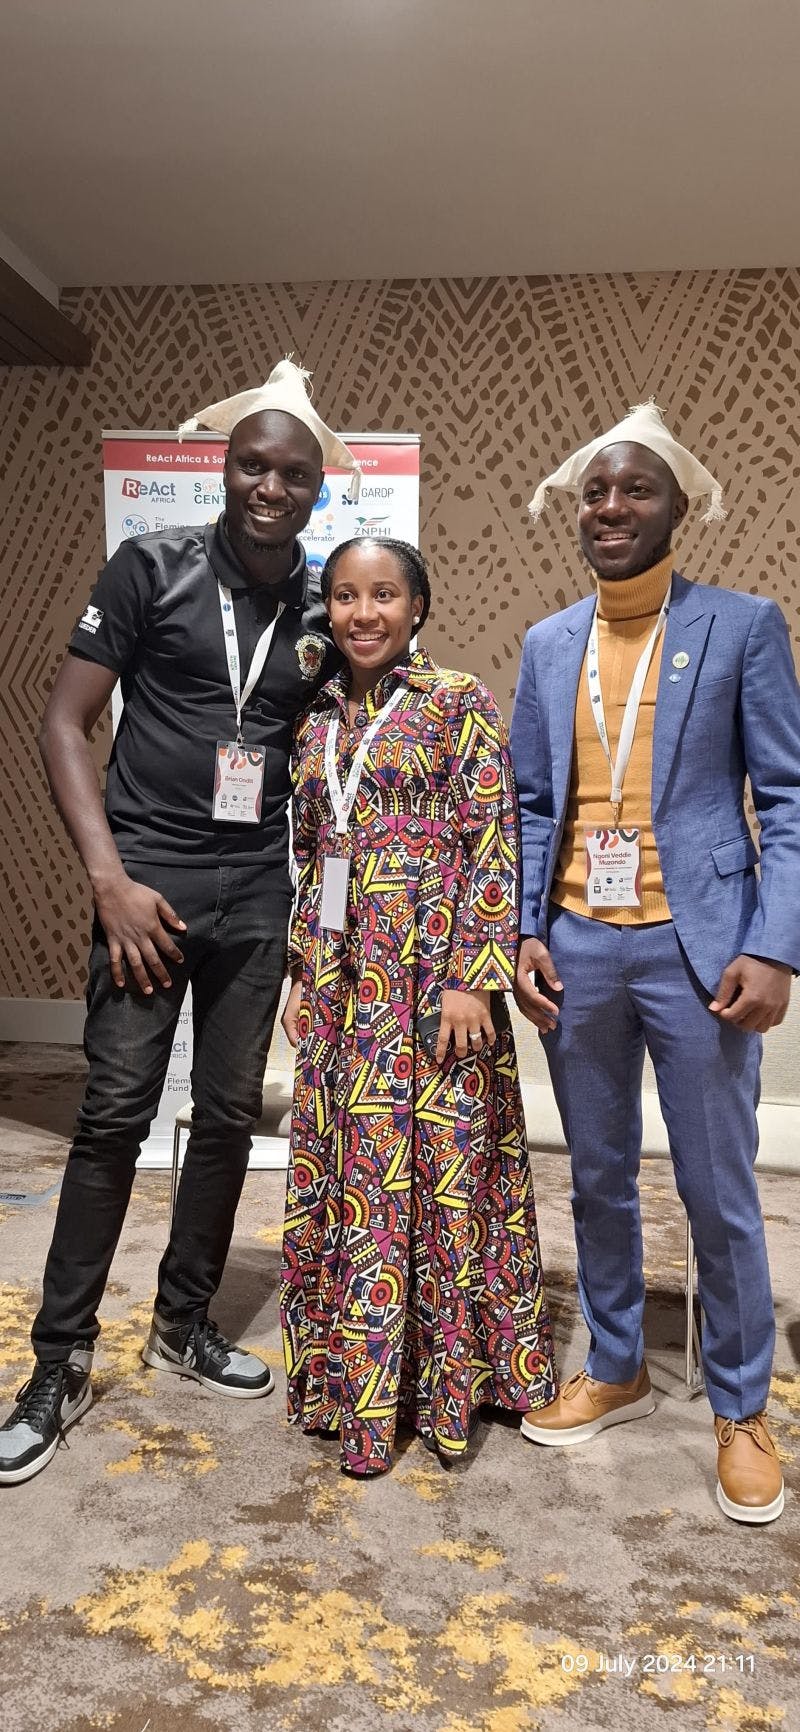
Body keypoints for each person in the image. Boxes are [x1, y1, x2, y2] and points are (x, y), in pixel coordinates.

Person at [0, 359, 360, 1487]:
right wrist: (105, 878)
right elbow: (64, 721)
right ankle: (55, 1363)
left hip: (256, 888)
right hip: (145, 881)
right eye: (252, 463)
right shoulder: (149, 564)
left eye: (291, 472)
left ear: (315, 490)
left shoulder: (321, 606)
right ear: (222, 465)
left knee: (224, 1116)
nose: (269, 485)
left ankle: (184, 1320)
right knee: (110, 1116)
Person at [510, 402, 800, 1525]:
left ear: (677, 508)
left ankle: (739, 1403)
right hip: (576, 946)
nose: (610, 506)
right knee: (592, 1173)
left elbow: (783, 798)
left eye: (633, 489)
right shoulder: (546, 645)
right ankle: (618, 1360)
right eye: (593, 491)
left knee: (718, 1185)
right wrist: (525, 931)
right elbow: (535, 804)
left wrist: (773, 944)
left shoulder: (738, 626)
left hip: (700, 950)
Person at [280, 536, 557, 1477]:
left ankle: (451, 1385)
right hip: (346, 981)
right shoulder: (316, 715)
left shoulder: (457, 703)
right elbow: (312, 854)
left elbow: (493, 839)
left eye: (385, 595)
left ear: (418, 607)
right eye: (347, 596)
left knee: (441, 1169)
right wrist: (301, 972)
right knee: (354, 1170)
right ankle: (355, 1388)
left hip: (433, 979)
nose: (365, 613)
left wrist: (472, 976)